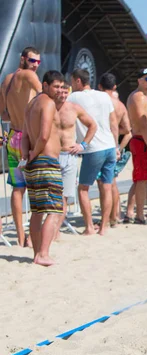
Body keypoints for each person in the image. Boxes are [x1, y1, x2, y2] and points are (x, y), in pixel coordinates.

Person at [68, 68, 118, 236]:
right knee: (106, 186)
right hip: (110, 145)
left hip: (93, 147)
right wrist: (117, 146)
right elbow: (113, 122)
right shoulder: (104, 95)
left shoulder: (74, 97)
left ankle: (89, 226)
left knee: (83, 188)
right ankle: (104, 227)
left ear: (78, 81)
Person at [0, 47, 42, 247]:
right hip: (27, 138)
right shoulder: (29, 76)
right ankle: (34, 235)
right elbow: (45, 97)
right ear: (23, 59)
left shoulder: (7, 81)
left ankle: (20, 235)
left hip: (13, 138)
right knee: (35, 186)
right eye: (33, 60)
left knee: (18, 189)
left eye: (38, 62)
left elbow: (3, 114)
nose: (35, 65)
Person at [21, 71, 64, 266]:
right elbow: (44, 136)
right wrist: (34, 153)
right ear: (45, 85)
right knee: (54, 209)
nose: (59, 90)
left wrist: (26, 156)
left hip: (34, 162)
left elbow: (24, 136)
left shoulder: (31, 105)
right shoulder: (47, 103)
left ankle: (37, 253)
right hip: (46, 161)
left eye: (62, 87)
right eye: (55, 86)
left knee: (37, 211)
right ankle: (43, 253)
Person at [54, 80, 97, 240]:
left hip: (70, 155)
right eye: (60, 91)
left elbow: (93, 125)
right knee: (51, 196)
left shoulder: (73, 108)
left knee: (64, 196)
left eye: (66, 91)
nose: (63, 94)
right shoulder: (47, 107)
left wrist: (83, 145)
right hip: (52, 155)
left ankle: (56, 231)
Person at [98, 73, 132, 225]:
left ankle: (106, 219)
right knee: (112, 182)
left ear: (99, 86)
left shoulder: (97, 101)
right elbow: (127, 129)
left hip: (100, 144)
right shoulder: (120, 105)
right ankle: (115, 215)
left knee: (104, 184)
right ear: (115, 87)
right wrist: (118, 143)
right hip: (113, 145)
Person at [126, 68, 147, 224]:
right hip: (142, 140)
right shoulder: (139, 97)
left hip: (142, 140)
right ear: (139, 80)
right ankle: (139, 215)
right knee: (143, 180)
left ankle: (130, 212)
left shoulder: (141, 96)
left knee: (140, 178)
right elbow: (143, 124)